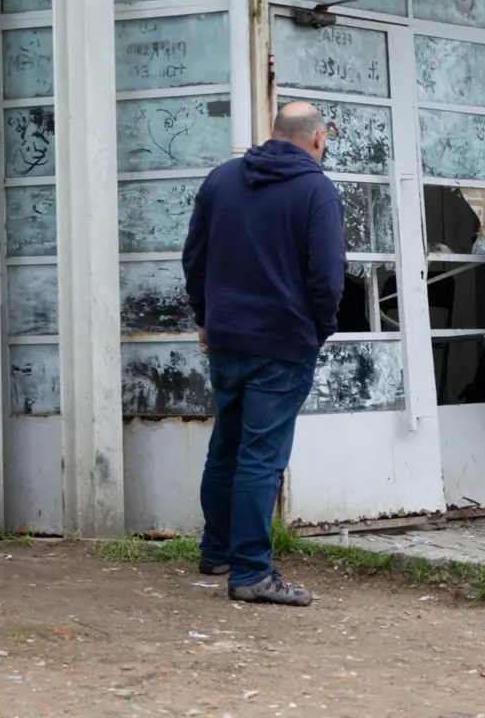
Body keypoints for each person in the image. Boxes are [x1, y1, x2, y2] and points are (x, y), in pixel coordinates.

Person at [182, 102, 346, 606]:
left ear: (274, 133)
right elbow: (327, 276)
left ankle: (219, 550)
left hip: (228, 337)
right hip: (282, 341)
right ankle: (252, 570)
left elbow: (196, 257)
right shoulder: (316, 189)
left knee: (227, 445)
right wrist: (320, 327)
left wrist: (206, 317)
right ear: (317, 139)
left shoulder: (223, 180)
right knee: (261, 456)